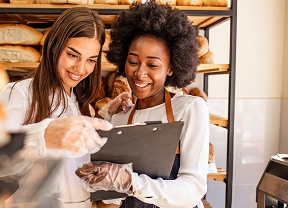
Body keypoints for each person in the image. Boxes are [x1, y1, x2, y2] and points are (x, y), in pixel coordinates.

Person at [75, 2, 209, 208]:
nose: (139, 73)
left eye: (153, 65)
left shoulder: (191, 108)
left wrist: (131, 182)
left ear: (171, 68)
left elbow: (192, 189)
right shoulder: (120, 116)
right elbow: (113, 197)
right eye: (133, 61)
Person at [0, 7, 113, 208]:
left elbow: (73, 172)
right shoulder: (19, 92)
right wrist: (43, 137)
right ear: (54, 46)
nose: (80, 68)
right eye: (72, 54)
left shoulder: (80, 104)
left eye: (91, 60)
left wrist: (110, 117)